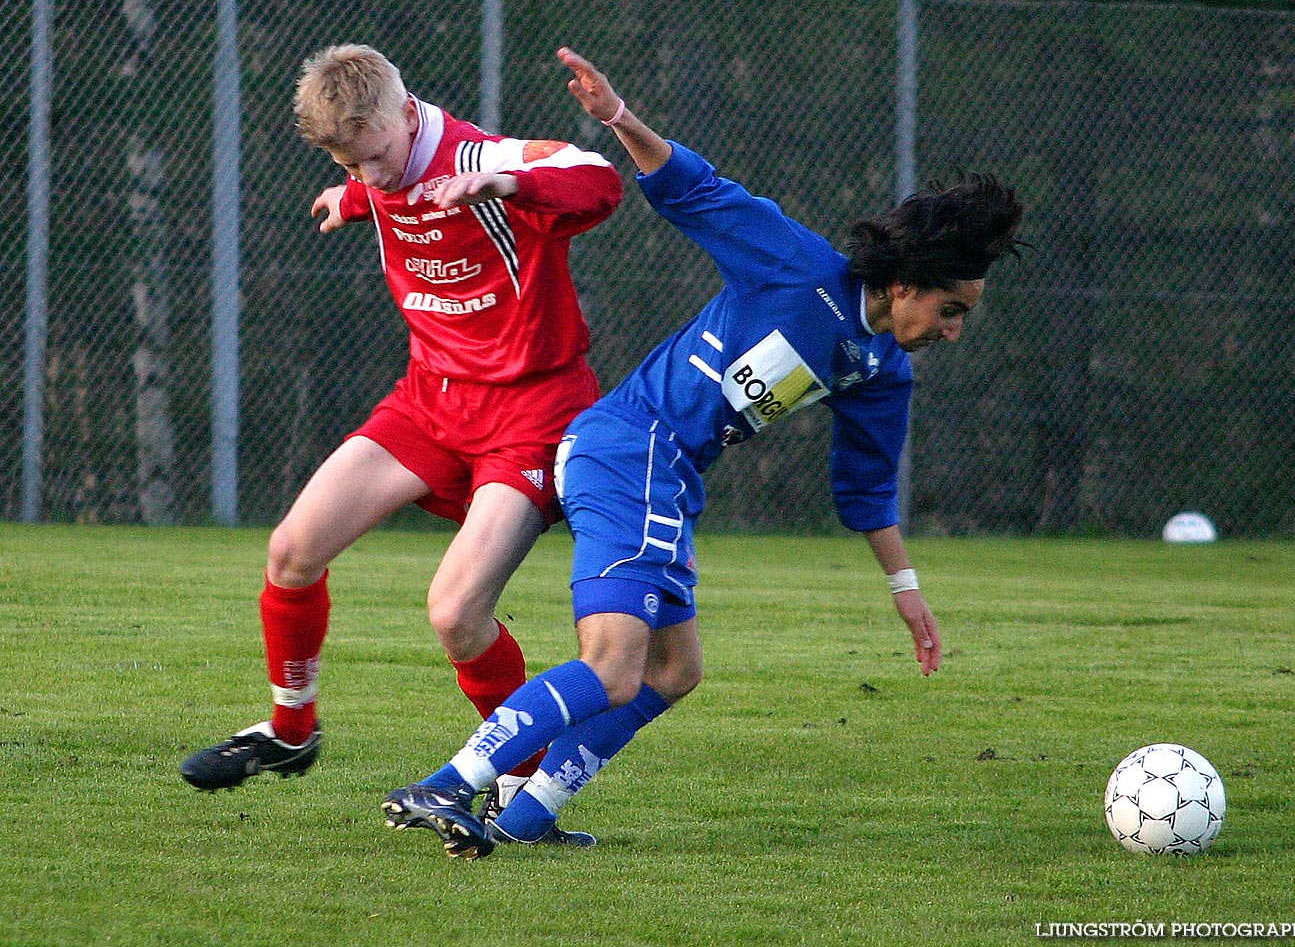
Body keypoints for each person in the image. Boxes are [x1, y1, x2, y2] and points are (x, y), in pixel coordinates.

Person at [378, 47, 1024, 858]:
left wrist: (907, 590)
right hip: (628, 451)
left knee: (673, 671)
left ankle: (526, 815)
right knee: (613, 667)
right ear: (907, 283)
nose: (953, 330)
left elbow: (863, 490)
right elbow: (693, 188)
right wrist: (617, 118)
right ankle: (447, 785)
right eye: (950, 307)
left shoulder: (879, 367)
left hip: (667, 478)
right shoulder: (800, 269)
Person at [179, 44, 623, 846]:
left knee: (456, 614)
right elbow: (384, 190)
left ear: (406, 111)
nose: (374, 175)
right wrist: (352, 198)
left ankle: (519, 793)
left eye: (377, 156)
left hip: (530, 411)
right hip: (428, 402)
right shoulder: (375, 170)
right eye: (354, 164)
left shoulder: (479, 156)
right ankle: (291, 731)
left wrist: (509, 183)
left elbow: (596, 176)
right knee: (291, 553)